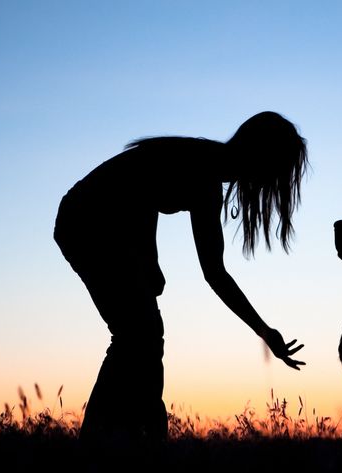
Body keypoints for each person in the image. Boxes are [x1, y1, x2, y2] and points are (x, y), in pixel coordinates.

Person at [53, 111, 307, 446]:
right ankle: (121, 439)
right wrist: (148, 259)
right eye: (276, 170)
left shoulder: (207, 177)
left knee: (139, 336)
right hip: (87, 219)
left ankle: (130, 436)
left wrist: (263, 331)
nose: (270, 182)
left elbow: (214, 272)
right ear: (260, 156)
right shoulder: (200, 166)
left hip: (92, 221)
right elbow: (136, 188)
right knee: (139, 335)